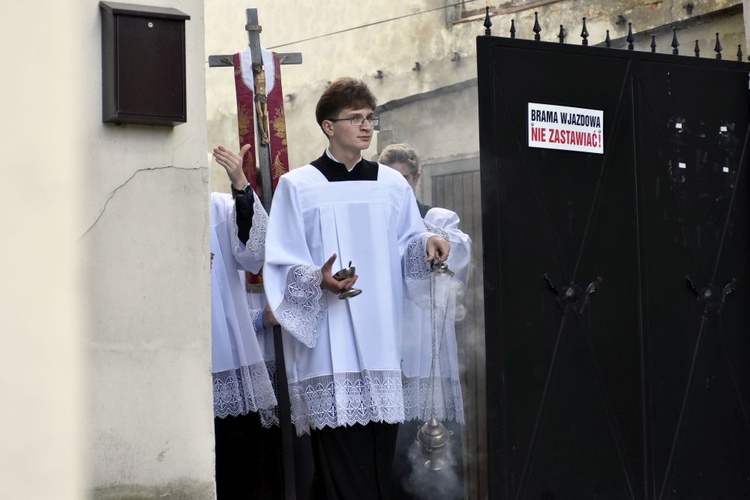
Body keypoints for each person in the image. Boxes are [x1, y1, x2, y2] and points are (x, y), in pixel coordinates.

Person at [263, 77, 450, 500]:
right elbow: (280, 261)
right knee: (338, 470)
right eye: (356, 118)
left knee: (378, 463)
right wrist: (318, 279)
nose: (367, 127)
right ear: (329, 127)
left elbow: (407, 242)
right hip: (330, 349)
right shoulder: (298, 186)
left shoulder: (392, 185)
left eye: (370, 118)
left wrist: (427, 245)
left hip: (382, 340)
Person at [378, 143, 472, 500]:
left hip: (431, 351)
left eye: (405, 178)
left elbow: (459, 252)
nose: (400, 186)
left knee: (438, 461)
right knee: (396, 463)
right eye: (392, 180)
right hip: (392, 352)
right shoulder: (379, 225)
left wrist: (435, 243)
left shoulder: (438, 219)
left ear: (417, 178)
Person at [210, 144, 282, 499]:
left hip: (226, 355)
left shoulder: (219, 208)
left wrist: (239, 183)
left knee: (238, 462)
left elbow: (255, 254)